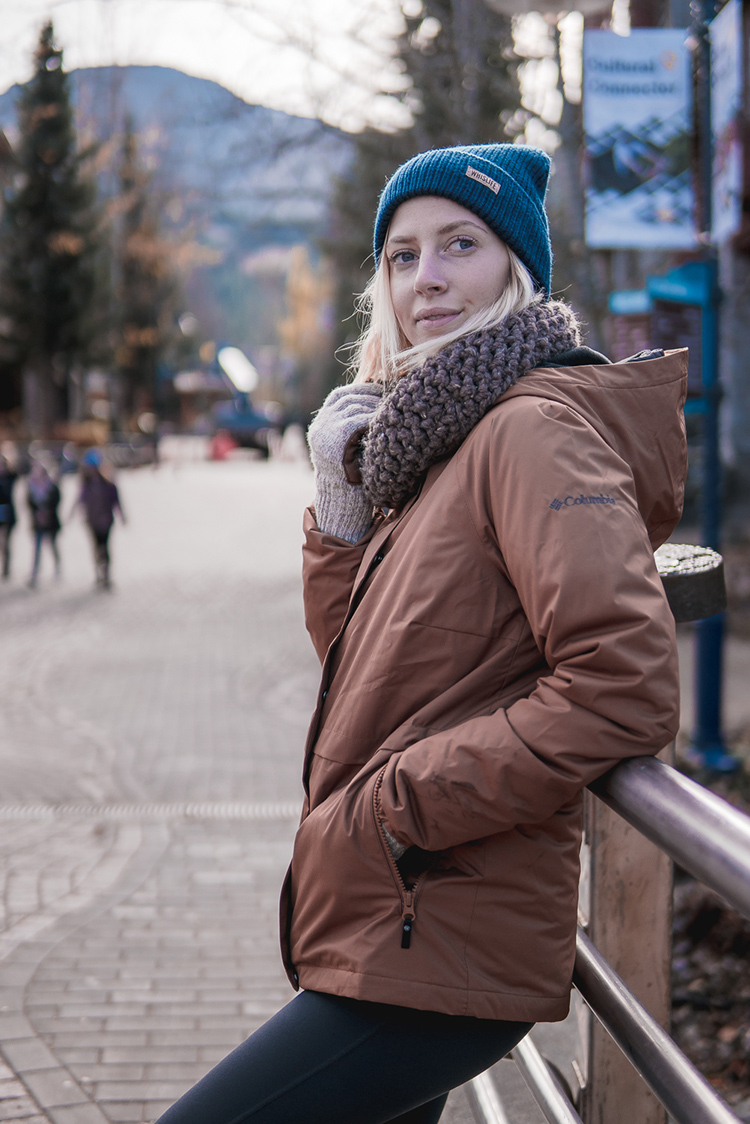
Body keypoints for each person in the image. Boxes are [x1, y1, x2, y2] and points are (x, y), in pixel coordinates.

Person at [156, 144, 687, 1124]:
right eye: (402, 255)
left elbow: (624, 683)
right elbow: (367, 663)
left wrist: (401, 802)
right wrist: (341, 513)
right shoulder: (444, 431)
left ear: (516, 267)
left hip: (441, 931)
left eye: (459, 245)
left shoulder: (532, 429)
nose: (427, 277)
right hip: (405, 923)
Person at [72, 449, 125, 588]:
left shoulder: (108, 484)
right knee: (96, 547)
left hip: (106, 520)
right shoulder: (87, 484)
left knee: (105, 547)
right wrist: (72, 513)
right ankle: (98, 574)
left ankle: (106, 575)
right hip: (93, 521)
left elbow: (116, 501)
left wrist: (122, 516)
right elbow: (80, 500)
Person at [27, 460, 61, 587]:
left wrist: (46, 512)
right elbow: (29, 503)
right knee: (37, 548)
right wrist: (38, 513)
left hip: (50, 522)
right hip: (37, 522)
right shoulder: (32, 487)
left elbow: (56, 502)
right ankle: (35, 572)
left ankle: (57, 568)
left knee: (52, 546)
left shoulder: (52, 487)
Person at [0, 452, 18, 580]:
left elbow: (17, 470)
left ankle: (6, 568)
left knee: (5, 542)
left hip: (6, 512)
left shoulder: (10, 477)